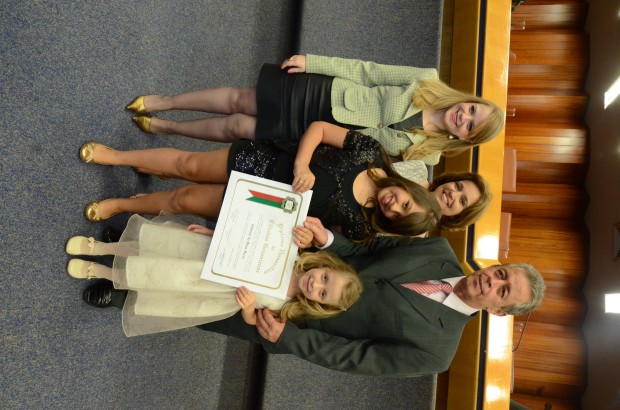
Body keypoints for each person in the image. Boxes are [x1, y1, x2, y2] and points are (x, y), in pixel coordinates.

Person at [191, 216, 546, 377]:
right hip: (294, 267)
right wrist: (328, 240)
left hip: (288, 319)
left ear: (499, 312)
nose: (491, 282)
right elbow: (366, 250)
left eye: (502, 291)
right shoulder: (437, 249)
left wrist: (289, 337)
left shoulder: (438, 352)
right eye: (501, 273)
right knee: (196, 261)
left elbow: (357, 358)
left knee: (191, 307)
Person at [79, 121, 442, 242]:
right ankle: (117, 156)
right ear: (412, 189)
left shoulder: (363, 227)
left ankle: (123, 205)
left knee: (184, 200)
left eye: (397, 217)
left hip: (261, 206)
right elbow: (319, 129)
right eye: (405, 203)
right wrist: (302, 164)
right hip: (268, 162)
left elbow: (315, 242)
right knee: (188, 165)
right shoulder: (371, 153)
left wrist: (308, 240)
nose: (393, 207)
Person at [126, 54, 504, 165]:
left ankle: (167, 128)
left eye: (471, 125)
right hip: (324, 95)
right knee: (241, 100)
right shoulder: (427, 78)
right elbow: (366, 71)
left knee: (238, 128)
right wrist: (314, 62)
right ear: (468, 100)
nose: (464, 116)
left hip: (322, 137)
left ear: (465, 139)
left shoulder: (426, 158)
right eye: (472, 109)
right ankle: (167, 102)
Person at [64, 213, 363, 337]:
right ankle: (101, 247)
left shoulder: (286, 306)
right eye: (325, 278)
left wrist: (248, 307)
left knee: (157, 274)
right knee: (158, 246)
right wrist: (211, 233)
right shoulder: (291, 253)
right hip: (210, 255)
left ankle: (101, 271)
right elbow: (245, 242)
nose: (316, 284)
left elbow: (252, 320)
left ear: (319, 304)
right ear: (326, 265)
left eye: (322, 293)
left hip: (207, 288)